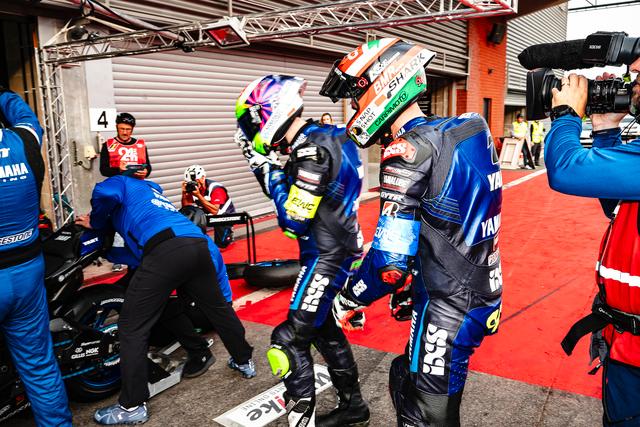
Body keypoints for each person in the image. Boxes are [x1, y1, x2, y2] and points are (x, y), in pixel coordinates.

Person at [320, 38, 503, 426]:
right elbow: (449, 217)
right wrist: (416, 279)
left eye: (355, 95)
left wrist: (349, 298)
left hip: (448, 305)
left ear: (382, 85)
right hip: (478, 287)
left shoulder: (407, 150)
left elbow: (389, 263)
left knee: (424, 416)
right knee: (403, 375)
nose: (354, 106)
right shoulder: (471, 126)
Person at [235, 74, 368, 427]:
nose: (250, 132)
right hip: (336, 247)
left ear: (269, 112)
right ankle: (354, 408)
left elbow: (294, 220)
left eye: (251, 122)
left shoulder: (311, 150)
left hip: (327, 256)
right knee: (323, 329)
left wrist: (265, 168)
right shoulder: (329, 135)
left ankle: (303, 422)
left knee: (287, 340)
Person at [75, 175, 255, 425]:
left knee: (132, 328)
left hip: (166, 250)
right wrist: (109, 249)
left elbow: (105, 193)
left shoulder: (122, 183)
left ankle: (132, 406)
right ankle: (244, 361)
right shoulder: (153, 196)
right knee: (219, 310)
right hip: (196, 245)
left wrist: (95, 222)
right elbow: (139, 254)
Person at [544, 58, 640, 427]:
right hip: (626, 344)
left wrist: (566, 114)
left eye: (639, 77)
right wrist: (605, 130)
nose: (631, 85)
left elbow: (565, 170)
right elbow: (616, 205)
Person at [0, 87, 72, 426]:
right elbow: (26, 115)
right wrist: (3, 94)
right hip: (26, 271)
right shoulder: (24, 140)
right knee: (39, 366)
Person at [181, 164, 235, 248]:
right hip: (208, 214)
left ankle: (229, 232)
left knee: (222, 246)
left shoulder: (216, 188)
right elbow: (186, 208)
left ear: (203, 178)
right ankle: (196, 241)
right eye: (190, 182)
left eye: (195, 181)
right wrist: (184, 193)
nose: (194, 184)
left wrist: (198, 195)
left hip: (225, 217)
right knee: (189, 214)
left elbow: (215, 211)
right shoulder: (192, 188)